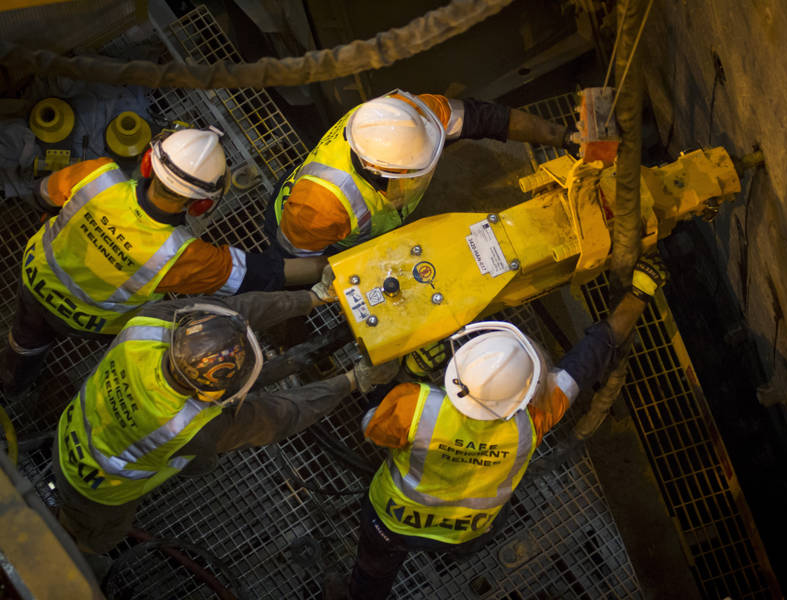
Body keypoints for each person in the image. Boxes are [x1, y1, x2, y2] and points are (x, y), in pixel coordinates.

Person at [330, 255, 667, 600]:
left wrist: (409, 375)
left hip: (393, 522)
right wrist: (637, 295)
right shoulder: (531, 423)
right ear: (523, 395)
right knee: (471, 536)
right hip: (467, 532)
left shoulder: (415, 405)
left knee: (374, 570)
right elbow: (588, 360)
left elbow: (370, 425)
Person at [53, 286, 398, 555]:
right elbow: (280, 415)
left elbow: (235, 312)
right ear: (206, 396)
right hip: (96, 491)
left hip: (68, 431)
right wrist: (354, 381)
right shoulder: (192, 429)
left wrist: (312, 297)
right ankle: (85, 554)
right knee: (99, 537)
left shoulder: (151, 323)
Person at [1, 127, 325, 397]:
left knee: (26, 339)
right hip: (90, 323)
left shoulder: (96, 175)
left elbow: (41, 195)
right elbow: (263, 274)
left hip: (34, 280)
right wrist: (329, 267)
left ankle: (13, 384)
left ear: (147, 163)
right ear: (201, 206)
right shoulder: (181, 256)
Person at [266, 90, 574, 257]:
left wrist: (564, 137)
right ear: (382, 171)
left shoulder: (410, 116)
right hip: (302, 238)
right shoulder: (320, 208)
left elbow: (490, 118)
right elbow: (293, 260)